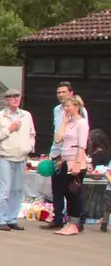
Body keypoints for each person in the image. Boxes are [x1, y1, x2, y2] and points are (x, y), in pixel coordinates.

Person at [0, 88, 35, 232]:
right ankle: (0, 219)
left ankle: (12, 218)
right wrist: (9, 129)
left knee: (17, 189)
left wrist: (29, 147)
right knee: (4, 189)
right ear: (6, 100)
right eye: (12, 97)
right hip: (5, 156)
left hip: (21, 156)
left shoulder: (26, 115)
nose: (16, 99)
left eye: (18, 96)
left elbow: (32, 133)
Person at [52, 97, 89, 236]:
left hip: (75, 160)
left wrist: (78, 163)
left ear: (76, 107)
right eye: (65, 107)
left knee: (74, 193)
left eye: (68, 106)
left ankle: (75, 224)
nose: (66, 109)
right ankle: (69, 222)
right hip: (66, 160)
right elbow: (58, 139)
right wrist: (64, 122)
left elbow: (82, 145)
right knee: (67, 193)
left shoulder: (81, 123)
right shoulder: (69, 123)